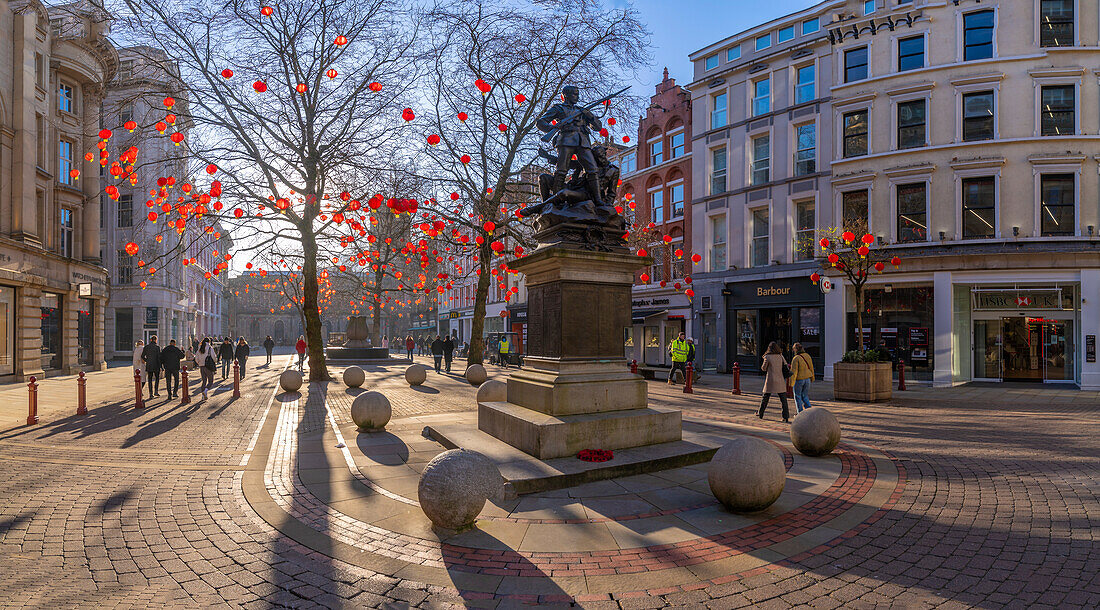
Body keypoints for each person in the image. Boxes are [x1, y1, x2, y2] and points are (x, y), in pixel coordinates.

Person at [759, 341, 791, 423]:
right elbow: (786, 365)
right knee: (783, 400)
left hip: (770, 380)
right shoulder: (780, 356)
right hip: (780, 380)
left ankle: (761, 413)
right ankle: (786, 416)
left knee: (765, 398)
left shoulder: (767, 356)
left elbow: (763, 368)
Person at [791, 343, 814, 414]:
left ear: (796, 349)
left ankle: (800, 413)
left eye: (793, 349)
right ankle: (809, 410)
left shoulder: (796, 358)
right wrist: (812, 377)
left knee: (797, 396)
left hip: (799, 380)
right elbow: (811, 367)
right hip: (807, 379)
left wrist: (791, 383)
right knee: (805, 395)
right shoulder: (807, 356)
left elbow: (794, 372)